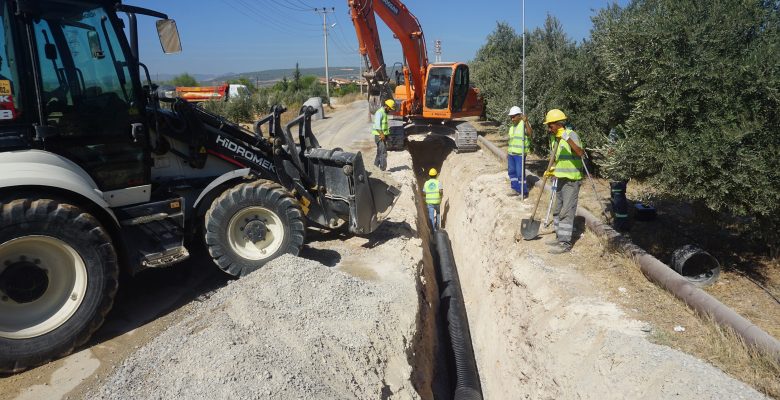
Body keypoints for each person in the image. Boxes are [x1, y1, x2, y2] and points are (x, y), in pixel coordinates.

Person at [543, 109, 584, 254]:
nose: (549, 128)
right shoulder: (556, 138)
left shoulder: (571, 135)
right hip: (560, 179)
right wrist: (553, 170)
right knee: (557, 210)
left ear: (559, 124)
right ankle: (559, 237)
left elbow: (580, 153)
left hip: (571, 181)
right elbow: (561, 160)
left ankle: (565, 243)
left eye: (551, 125)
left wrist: (566, 138)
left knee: (566, 211)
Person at [506, 106, 532, 197]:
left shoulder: (524, 124)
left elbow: (529, 134)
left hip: (520, 154)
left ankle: (523, 192)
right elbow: (511, 141)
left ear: (519, 116)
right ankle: (515, 189)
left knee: (520, 173)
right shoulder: (512, 127)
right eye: (511, 117)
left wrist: (526, 122)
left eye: (513, 117)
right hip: (511, 154)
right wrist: (507, 153)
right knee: (512, 172)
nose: (512, 119)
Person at [372, 99, 395, 171]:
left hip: (382, 135)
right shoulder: (380, 113)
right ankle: (383, 169)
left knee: (379, 152)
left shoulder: (384, 113)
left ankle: (375, 168)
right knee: (383, 153)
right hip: (379, 136)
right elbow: (377, 126)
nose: (390, 110)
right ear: (387, 107)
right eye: (390, 109)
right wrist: (382, 134)